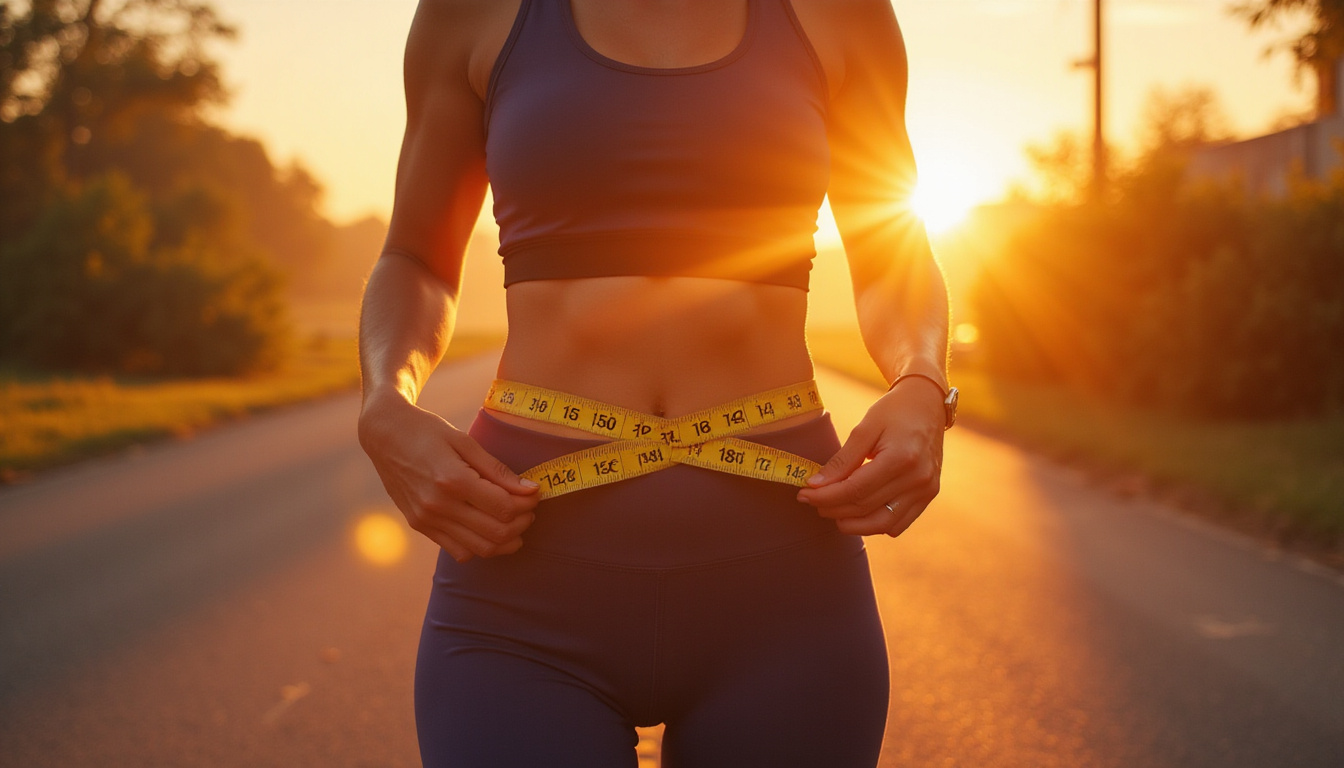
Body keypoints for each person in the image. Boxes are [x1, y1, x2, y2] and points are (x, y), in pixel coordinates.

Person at [357, 0, 954, 765]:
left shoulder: (841, 13)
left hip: (787, 595)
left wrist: (921, 379)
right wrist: (385, 400)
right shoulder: (472, 12)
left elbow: (894, 252)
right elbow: (415, 257)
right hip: (522, 590)